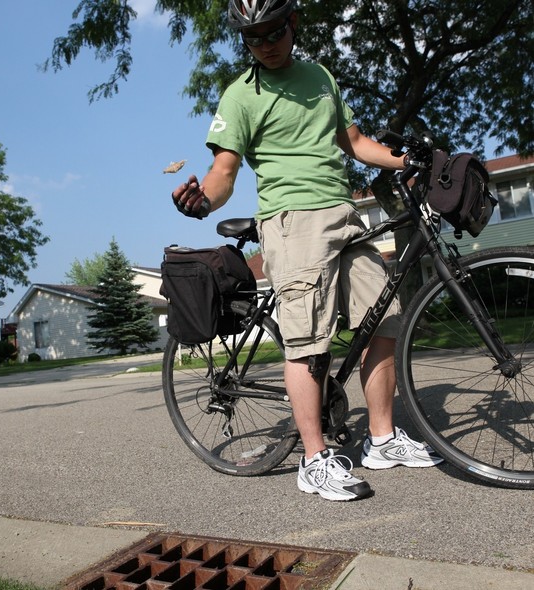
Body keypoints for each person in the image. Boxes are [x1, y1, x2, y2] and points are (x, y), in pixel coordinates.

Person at [171, 0, 442, 501]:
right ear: (244, 42)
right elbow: (224, 173)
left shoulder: (320, 75)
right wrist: (202, 201)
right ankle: (314, 459)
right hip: (293, 222)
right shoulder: (239, 97)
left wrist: (407, 158)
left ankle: (380, 439)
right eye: (254, 37)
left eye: (273, 31)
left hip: (344, 216)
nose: (266, 44)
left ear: (292, 24)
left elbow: (355, 141)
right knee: (307, 342)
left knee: (383, 319)